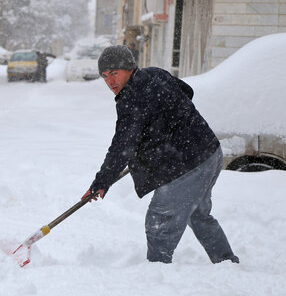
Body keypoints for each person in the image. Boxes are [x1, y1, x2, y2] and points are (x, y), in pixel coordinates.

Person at [83, 45, 238, 264]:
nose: (110, 82)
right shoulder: (154, 73)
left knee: (159, 222)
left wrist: (102, 181)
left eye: (114, 73)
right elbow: (186, 91)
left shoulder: (131, 99)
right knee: (198, 214)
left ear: (129, 69)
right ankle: (227, 262)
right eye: (105, 76)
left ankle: (156, 274)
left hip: (187, 166)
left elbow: (122, 147)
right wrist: (164, 126)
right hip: (210, 153)